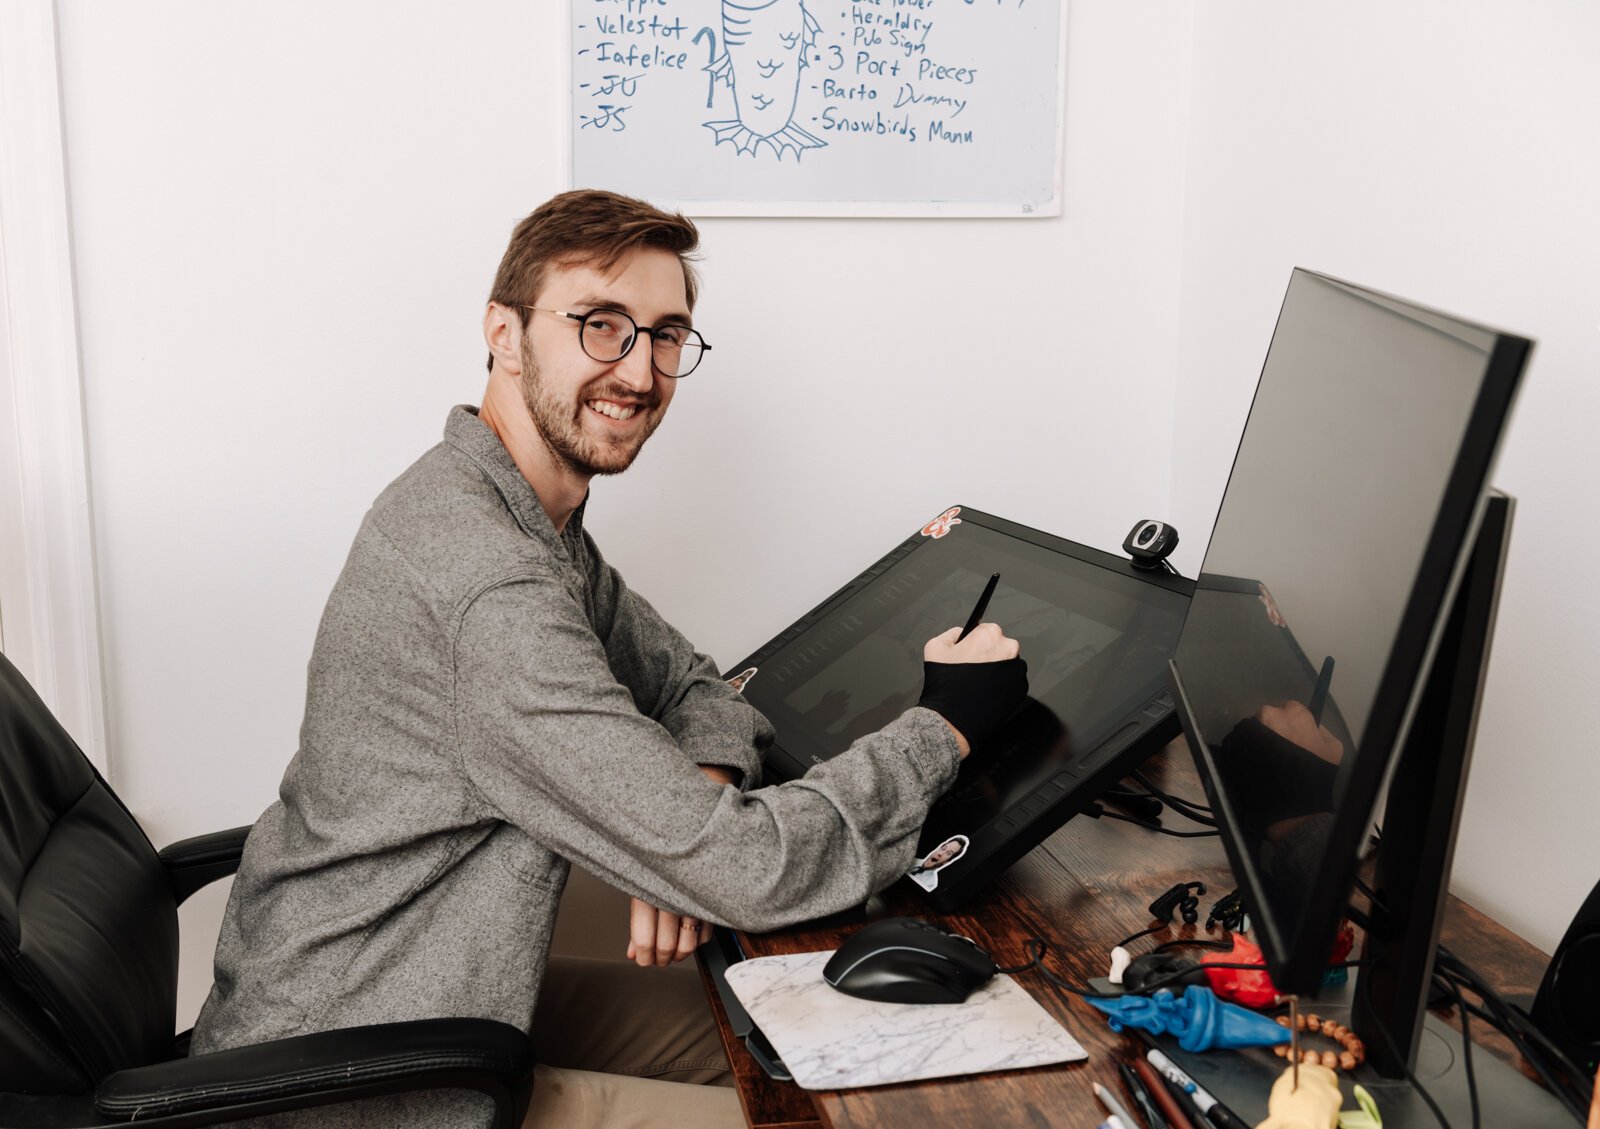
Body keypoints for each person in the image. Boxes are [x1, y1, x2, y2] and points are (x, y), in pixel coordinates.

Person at [190, 189, 1028, 1129]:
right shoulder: (487, 586)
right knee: (809, 1102)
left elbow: (694, 684)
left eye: (666, 334)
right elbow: (747, 870)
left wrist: (674, 820)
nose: (639, 370)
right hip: (359, 1081)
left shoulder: (514, 511)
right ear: (503, 333)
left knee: (802, 1040)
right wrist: (944, 727)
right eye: (601, 325)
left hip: (440, 993)